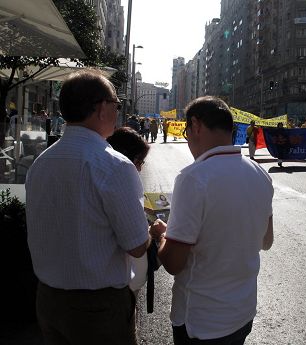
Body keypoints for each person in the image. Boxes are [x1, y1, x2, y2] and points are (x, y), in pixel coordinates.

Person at [25, 70, 151, 345]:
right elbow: (137, 245)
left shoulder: (41, 163)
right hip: (98, 307)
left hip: (47, 299)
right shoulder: (114, 165)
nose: (118, 111)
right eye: (116, 104)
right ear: (101, 107)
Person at [150, 96, 274, 344]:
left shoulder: (193, 178)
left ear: (195, 126)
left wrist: (162, 234)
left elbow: (174, 263)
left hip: (202, 322)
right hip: (243, 313)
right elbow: (266, 241)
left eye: (187, 131)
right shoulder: (260, 173)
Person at [107, 127, 151, 294]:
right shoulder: (120, 174)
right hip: (117, 289)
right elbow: (137, 246)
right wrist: (151, 232)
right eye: (139, 161)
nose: (139, 169)